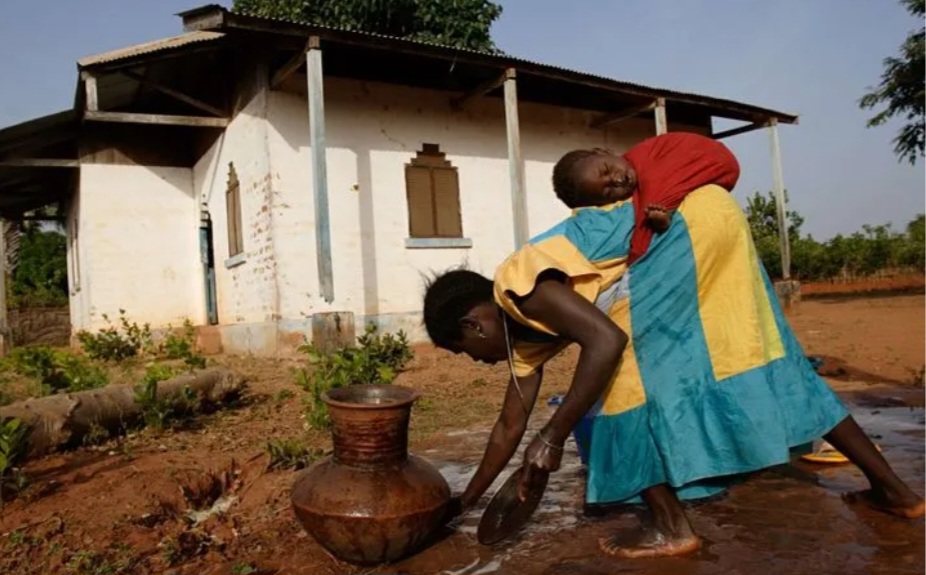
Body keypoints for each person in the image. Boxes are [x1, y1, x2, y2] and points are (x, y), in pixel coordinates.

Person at [424, 184, 924, 559]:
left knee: (613, 393)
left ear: (473, 323)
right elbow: (509, 427)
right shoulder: (523, 345)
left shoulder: (519, 284)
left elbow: (606, 340)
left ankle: (669, 525)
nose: (475, 361)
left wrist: (553, 435)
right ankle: (894, 492)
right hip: (710, 220)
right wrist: (465, 504)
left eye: (464, 350)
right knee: (763, 357)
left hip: (684, 226)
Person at [551, 132, 740, 263]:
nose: (616, 180)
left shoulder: (646, 163)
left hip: (715, 160)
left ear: (604, 152)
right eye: (608, 192)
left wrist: (635, 260)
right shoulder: (637, 192)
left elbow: (642, 241)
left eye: (606, 169)